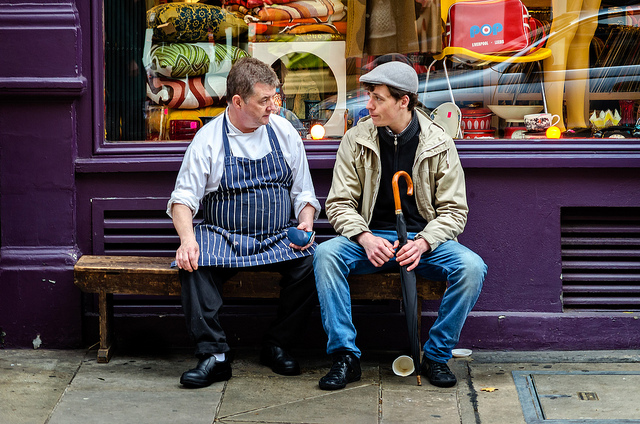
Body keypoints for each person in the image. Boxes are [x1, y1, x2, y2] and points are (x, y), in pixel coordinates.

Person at [313, 59, 487, 390]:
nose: (369, 104)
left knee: (472, 267)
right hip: (370, 239)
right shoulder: (356, 139)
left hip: (423, 241)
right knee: (325, 256)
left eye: (377, 97)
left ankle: (435, 356)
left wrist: (424, 242)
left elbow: (454, 212)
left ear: (403, 100)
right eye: (369, 96)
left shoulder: (438, 142)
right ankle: (345, 357)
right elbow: (338, 204)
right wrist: (364, 237)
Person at [167, 57, 321, 388]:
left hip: (278, 237)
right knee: (192, 264)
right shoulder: (208, 140)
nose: (273, 107)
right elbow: (183, 201)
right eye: (264, 100)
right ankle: (214, 355)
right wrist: (187, 240)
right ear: (238, 101)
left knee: (312, 261)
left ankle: (277, 345)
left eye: (275, 97)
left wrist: (306, 223)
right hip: (224, 236)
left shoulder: (283, 132)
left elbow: (304, 194)